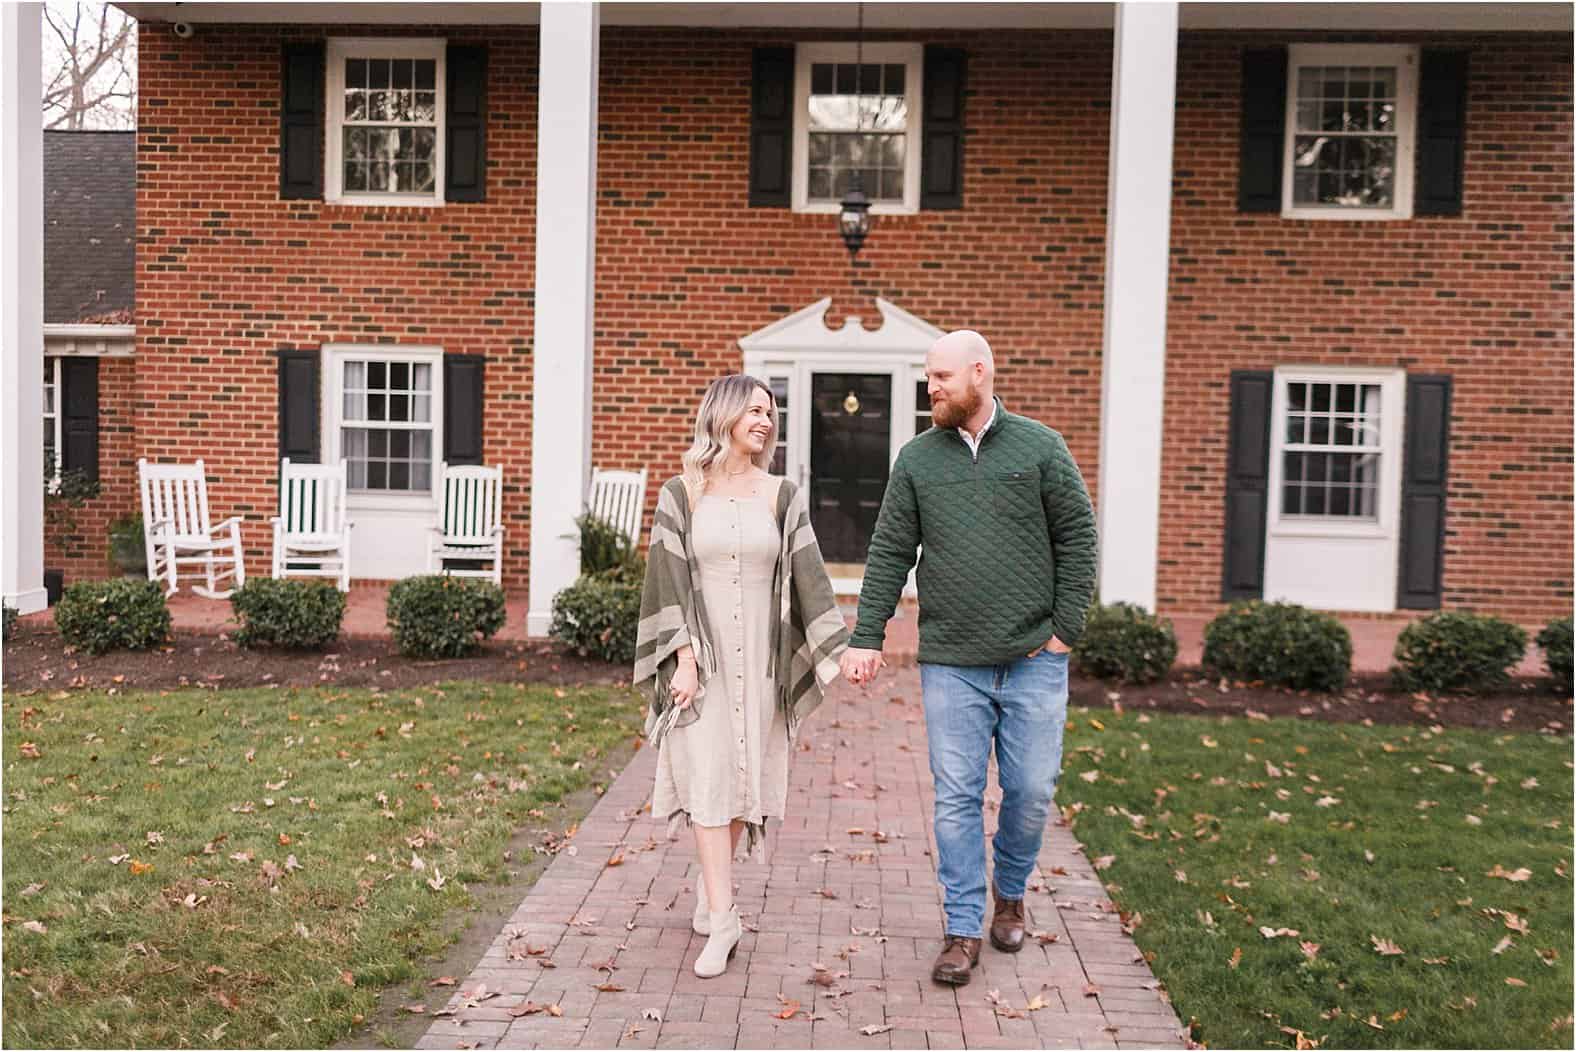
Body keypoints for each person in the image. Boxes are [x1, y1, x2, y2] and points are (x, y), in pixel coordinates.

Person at [839, 329, 1097, 986]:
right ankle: (961, 928)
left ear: (979, 373)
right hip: (952, 660)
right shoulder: (918, 459)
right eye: (929, 378)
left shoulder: (1040, 447)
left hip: (1035, 658)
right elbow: (891, 550)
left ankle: (1010, 892)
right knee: (956, 797)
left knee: (1031, 791)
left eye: (941, 378)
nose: (932, 389)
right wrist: (868, 635)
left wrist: (1063, 631)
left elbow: (1079, 540)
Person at [633, 374, 850, 979]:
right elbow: (665, 583)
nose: (765, 420)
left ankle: (711, 892)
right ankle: (724, 917)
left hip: (762, 657)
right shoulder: (681, 493)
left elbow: (810, 576)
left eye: (770, 412)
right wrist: (683, 658)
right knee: (707, 777)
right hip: (703, 661)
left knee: (739, 776)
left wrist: (843, 648)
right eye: (754, 409)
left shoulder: (783, 494)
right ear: (723, 414)